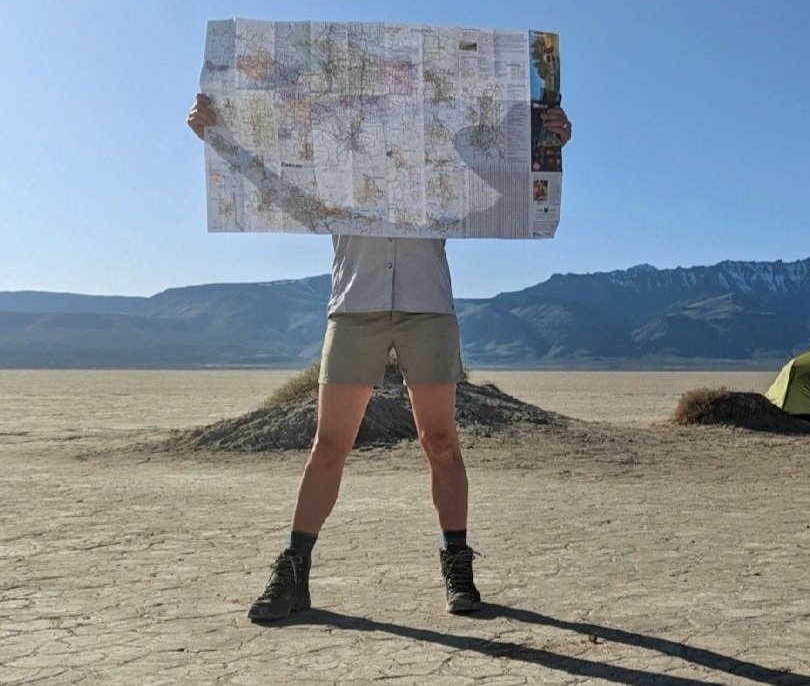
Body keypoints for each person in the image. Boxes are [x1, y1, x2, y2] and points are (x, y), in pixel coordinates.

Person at [185, 92, 573, 622]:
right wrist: (217, 136)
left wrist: (547, 142)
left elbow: (504, 195)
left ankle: (458, 568)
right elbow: (271, 177)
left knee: (440, 442)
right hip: (354, 309)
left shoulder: (442, 176)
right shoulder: (333, 175)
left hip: (427, 308)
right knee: (327, 446)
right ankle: (292, 572)